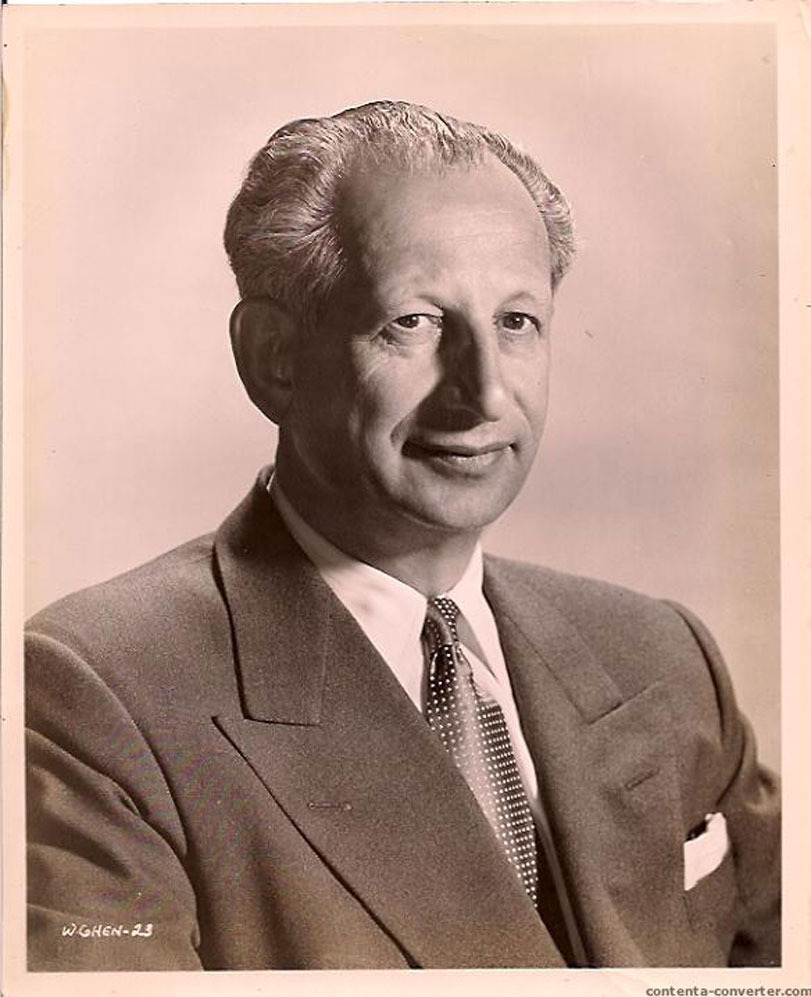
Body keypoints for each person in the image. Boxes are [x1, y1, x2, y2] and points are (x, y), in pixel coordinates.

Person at [25, 100, 780, 972]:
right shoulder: (91, 696)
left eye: (515, 321)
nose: (483, 394)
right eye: (412, 323)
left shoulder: (662, 657)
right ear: (273, 358)